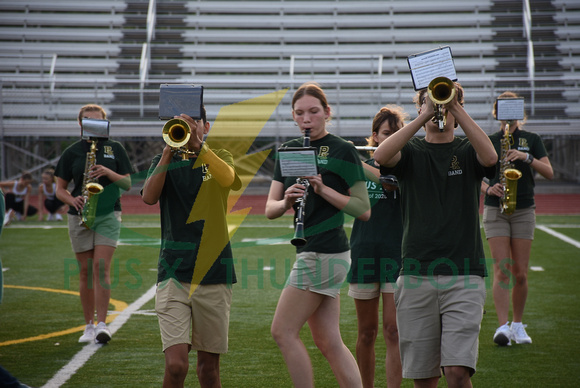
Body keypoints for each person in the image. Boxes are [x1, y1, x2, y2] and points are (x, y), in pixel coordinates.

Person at [373, 82, 497, 387]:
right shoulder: (412, 151)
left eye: (445, 104)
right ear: (419, 108)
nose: (438, 110)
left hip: (465, 272)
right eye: (429, 104)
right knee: (424, 378)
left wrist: (454, 106)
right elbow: (381, 155)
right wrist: (422, 116)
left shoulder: (467, 150)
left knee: (457, 371)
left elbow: (491, 158)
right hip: (416, 272)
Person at [266, 82, 370, 388]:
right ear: (294, 117)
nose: (306, 119)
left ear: (326, 112)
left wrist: (323, 189)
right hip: (315, 250)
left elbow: (363, 209)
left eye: (313, 111)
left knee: (282, 332)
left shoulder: (343, 149)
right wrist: (287, 200)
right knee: (328, 340)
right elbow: (270, 209)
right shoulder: (288, 150)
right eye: (299, 113)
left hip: (325, 251)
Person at [142, 107, 241, 388]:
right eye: (180, 121)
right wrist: (166, 153)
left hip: (214, 272)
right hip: (173, 271)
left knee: (208, 370)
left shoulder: (220, 157)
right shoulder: (162, 160)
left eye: (194, 120)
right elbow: (149, 197)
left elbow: (230, 180)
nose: (186, 124)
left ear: (205, 126)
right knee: (176, 365)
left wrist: (199, 147)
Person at [55, 104, 133, 344]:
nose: (93, 125)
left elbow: (128, 184)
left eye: (98, 121)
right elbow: (59, 189)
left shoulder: (115, 148)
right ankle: (88, 325)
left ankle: (102, 324)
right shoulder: (72, 152)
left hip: (108, 213)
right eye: (88, 121)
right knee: (86, 271)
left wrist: (108, 172)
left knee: (101, 268)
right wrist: (73, 199)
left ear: (105, 123)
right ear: (80, 124)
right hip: (79, 214)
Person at [481, 91, 554, 346]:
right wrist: (488, 189)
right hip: (495, 208)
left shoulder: (531, 139)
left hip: (523, 208)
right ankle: (502, 327)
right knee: (502, 270)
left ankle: (518, 324)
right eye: (504, 110)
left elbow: (549, 172)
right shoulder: (490, 139)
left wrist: (526, 157)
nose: (509, 116)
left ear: (520, 114)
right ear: (497, 113)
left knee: (520, 273)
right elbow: (474, 175)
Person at [348, 106, 406, 388]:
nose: (392, 138)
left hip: (397, 255)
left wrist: (351, 159)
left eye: (397, 133)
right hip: (364, 253)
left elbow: (392, 183)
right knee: (366, 333)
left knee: (394, 331)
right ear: (374, 136)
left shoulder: (409, 167)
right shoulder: (362, 167)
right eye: (386, 133)